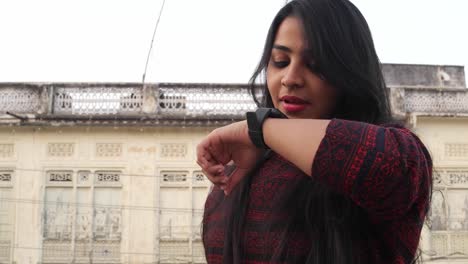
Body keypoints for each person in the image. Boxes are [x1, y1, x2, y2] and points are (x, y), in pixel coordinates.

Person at [196, 0, 432, 263]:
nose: (290, 78)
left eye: (316, 65)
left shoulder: (396, 155)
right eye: (280, 61)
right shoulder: (236, 176)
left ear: (349, 73)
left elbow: (391, 168)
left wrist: (259, 129)